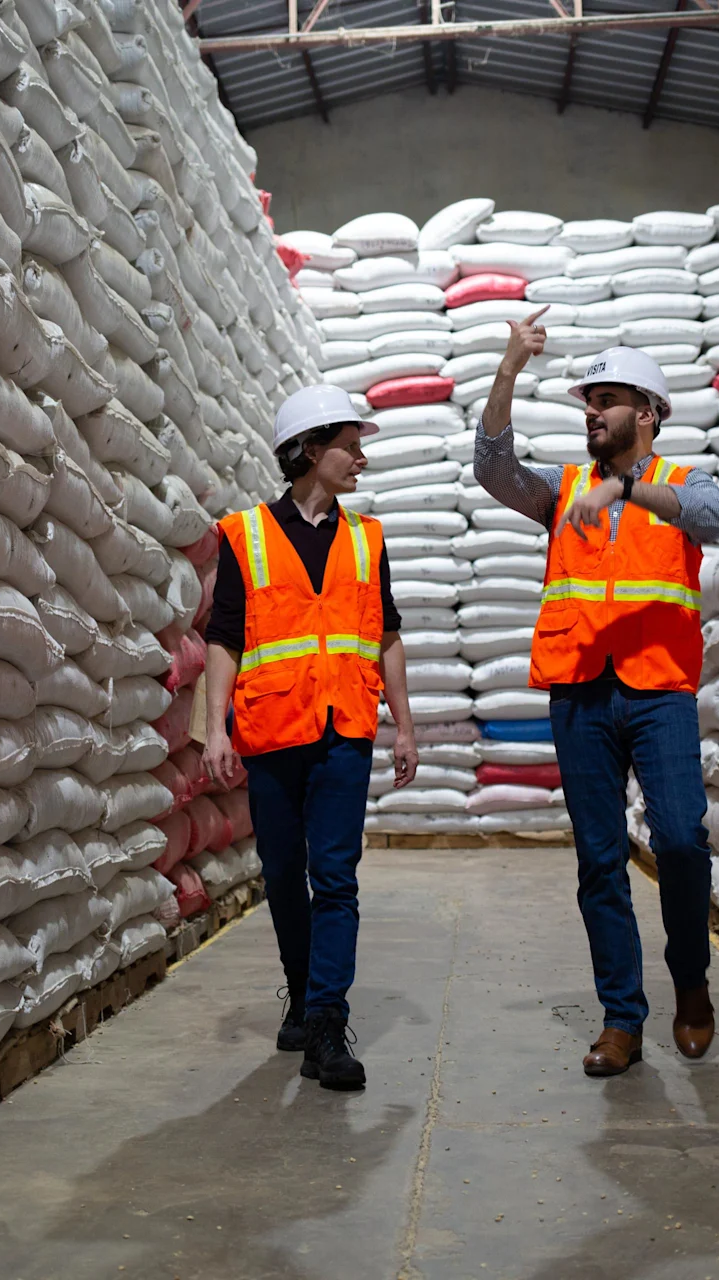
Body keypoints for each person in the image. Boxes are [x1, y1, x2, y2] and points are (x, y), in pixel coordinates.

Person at [474, 312, 719, 1077]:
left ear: (647, 414)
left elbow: (717, 520)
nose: (592, 411)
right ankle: (623, 1016)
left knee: (682, 840)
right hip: (581, 693)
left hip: (659, 692)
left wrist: (629, 490)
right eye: (587, 401)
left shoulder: (684, 484)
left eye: (607, 399)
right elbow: (493, 470)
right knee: (598, 859)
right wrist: (508, 369)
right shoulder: (562, 489)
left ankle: (690, 978)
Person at [201, 383, 420, 1091]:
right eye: (349, 445)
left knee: (336, 878)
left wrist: (404, 724)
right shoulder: (247, 536)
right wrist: (212, 729)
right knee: (282, 876)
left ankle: (327, 1022)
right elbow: (224, 639)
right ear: (308, 450)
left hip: (344, 731)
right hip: (271, 729)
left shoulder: (367, 538)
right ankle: (301, 991)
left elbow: (386, 635)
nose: (360, 457)